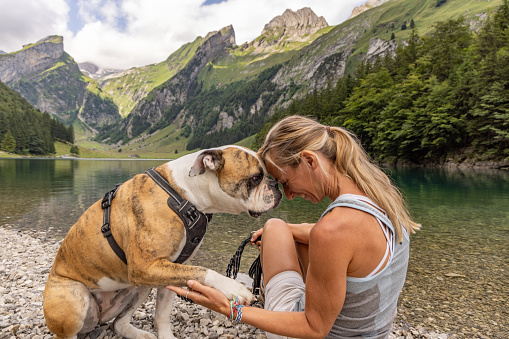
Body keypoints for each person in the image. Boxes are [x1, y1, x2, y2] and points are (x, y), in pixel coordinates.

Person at [168, 115, 420, 338]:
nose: (287, 195)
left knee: (275, 225)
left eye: (285, 182)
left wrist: (230, 309)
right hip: (374, 331)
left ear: (310, 161)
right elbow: (348, 242)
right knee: (278, 228)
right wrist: (285, 231)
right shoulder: (379, 191)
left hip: (315, 333)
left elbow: (313, 328)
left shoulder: (332, 231)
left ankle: (267, 299)